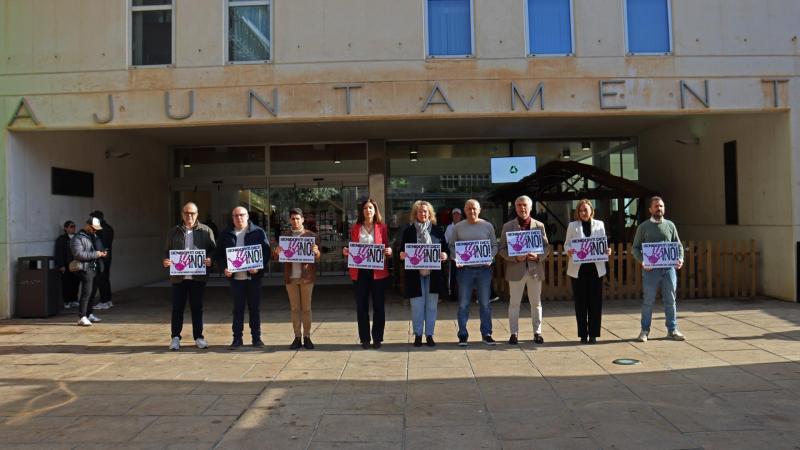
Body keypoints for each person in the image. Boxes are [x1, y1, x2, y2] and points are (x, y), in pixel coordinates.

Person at [163, 202, 216, 351]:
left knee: (197, 308)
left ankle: (198, 337)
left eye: (192, 213)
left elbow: (213, 250)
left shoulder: (206, 231)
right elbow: (166, 251)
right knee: (177, 309)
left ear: (197, 214)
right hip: (178, 278)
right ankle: (175, 337)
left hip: (198, 277)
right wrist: (166, 261)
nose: (189, 216)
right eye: (186, 213)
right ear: (182, 214)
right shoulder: (173, 232)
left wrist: (210, 259)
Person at [632, 196, 686, 342]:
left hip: (668, 269)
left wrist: (680, 259)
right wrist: (643, 261)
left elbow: (678, 245)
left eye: (661, 206)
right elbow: (635, 248)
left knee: (670, 300)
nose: (659, 208)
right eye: (656, 206)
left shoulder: (670, 225)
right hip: (651, 271)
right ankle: (644, 331)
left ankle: (672, 330)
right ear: (650, 209)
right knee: (648, 301)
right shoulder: (643, 227)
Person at [499, 195, 549, 345]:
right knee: (514, 303)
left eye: (525, 205)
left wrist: (538, 256)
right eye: (519, 205)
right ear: (515, 208)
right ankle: (513, 333)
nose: (522, 208)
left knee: (536, 303)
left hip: (534, 269)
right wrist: (515, 258)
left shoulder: (539, 226)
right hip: (516, 270)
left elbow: (546, 247)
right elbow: (502, 249)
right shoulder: (508, 226)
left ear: (530, 207)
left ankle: (537, 332)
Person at [343, 198, 393, 349]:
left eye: (370, 208)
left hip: (378, 272)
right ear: (362, 211)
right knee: (361, 306)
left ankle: (377, 338)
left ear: (375, 210)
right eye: (365, 208)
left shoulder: (382, 227)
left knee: (379, 306)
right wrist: (347, 251)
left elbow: (386, 246)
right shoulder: (355, 228)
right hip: (360, 272)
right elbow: (353, 248)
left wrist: (389, 251)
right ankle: (365, 338)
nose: (368, 210)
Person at [217, 207, 270, 349]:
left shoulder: (258, 232)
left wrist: (259, 267)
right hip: (236, 280)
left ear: (247, 216)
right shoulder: (226, 234)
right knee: (237, 310)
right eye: (235, 215)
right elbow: (219, 254)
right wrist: (224, 268)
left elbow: (266, 252)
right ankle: (237, 339)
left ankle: (256, 338)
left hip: (254, 278)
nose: (239, 218)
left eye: (241, 215)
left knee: (254, 309)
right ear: (232, 218)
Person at [399, 201, 448, 347]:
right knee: (417, 305)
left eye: (425, 211)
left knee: (432, 306)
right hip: (415, 274)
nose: (423, 214)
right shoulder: (408, 231)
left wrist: (444, 255)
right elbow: (402, 251)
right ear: (415, 214)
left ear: (430, 213)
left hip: (433, 274)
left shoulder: (438, 230)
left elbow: (445, 249)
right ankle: (418, 334)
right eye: (420, 211)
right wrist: (402, 255)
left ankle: (430, 335)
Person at [450, 199, 498, 346]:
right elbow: (451, 246)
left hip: (484, 270)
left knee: (485, 303)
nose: (472, 211)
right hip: (465, 270)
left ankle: (487, 334)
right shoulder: (458, 227)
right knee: (463, 304)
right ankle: (462, 335)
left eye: (474, 208)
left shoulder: (488, 226)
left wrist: (490, 257)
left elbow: (494, 246)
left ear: (479, 210)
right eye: (469, 208)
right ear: (465, 210)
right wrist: (456, 258)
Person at [272, 208, 321, 350]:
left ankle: (307, 336)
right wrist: (276, 252)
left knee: (306, 308)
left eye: (298, 218)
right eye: (293, 218)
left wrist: (316, 252)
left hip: (306, 277)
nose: (295, 221)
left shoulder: (311, 236)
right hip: (291, 277)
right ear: (290, 220)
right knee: (294, 309)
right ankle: (297, 337)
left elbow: (318, 257)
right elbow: (276, 257)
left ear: (302, 219)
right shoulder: (285, 237)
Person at [565, 199, 612, 344]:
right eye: (581, 210)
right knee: (580, 303)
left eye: (586, 210)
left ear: (591, 210)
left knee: (595, 302)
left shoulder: (600, 224)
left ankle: (593, 334)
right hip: (578, 270)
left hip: (595, 269)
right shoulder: (572, 226)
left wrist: (607, 251)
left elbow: (603, 244)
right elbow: (567, 245)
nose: (583, 213)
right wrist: (569, 251)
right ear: (578, 213)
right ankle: (583, 334)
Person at [70, 217, 107, 326]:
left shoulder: (95, 236)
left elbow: (100, 249)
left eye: (96, 229)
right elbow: (78, 254)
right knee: (86, 292)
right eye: (93, 228)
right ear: (87, 226)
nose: (95, 230)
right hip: (85, 268)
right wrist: (96, 254)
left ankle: (89, 314)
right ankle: (82, 316)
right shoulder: (78, 238)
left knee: (92, 292)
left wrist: (103, 253)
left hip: (96, 268)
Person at [89, 210, 114, 310]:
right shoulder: (109, 228)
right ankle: (108, 300)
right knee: (105, 278)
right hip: (107, 256)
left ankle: (104, 301)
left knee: (101, 279)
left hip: (101, 257)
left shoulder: (100, 229)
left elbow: (100, 243)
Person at [54, 220, 79, 309]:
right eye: (71, 226)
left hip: (76, 264)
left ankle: (74, 300)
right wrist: (61, 265)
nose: (73, 228)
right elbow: (59, 253)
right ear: (66, 228)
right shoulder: (61, 239)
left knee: (76, 282)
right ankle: (67, 301)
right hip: (66, 265)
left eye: (74, 226)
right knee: (66, 283)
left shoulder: (78, 237)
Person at [444, 208, 462, 301]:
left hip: (464, 257)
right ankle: (452, 295)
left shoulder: (465, 225)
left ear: (461, 215)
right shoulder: (449, 228)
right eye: (454, 214)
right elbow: (445, 241)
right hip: (453, 256)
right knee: (453, 277)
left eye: (458, 214)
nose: (456, 216)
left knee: (463, 276)